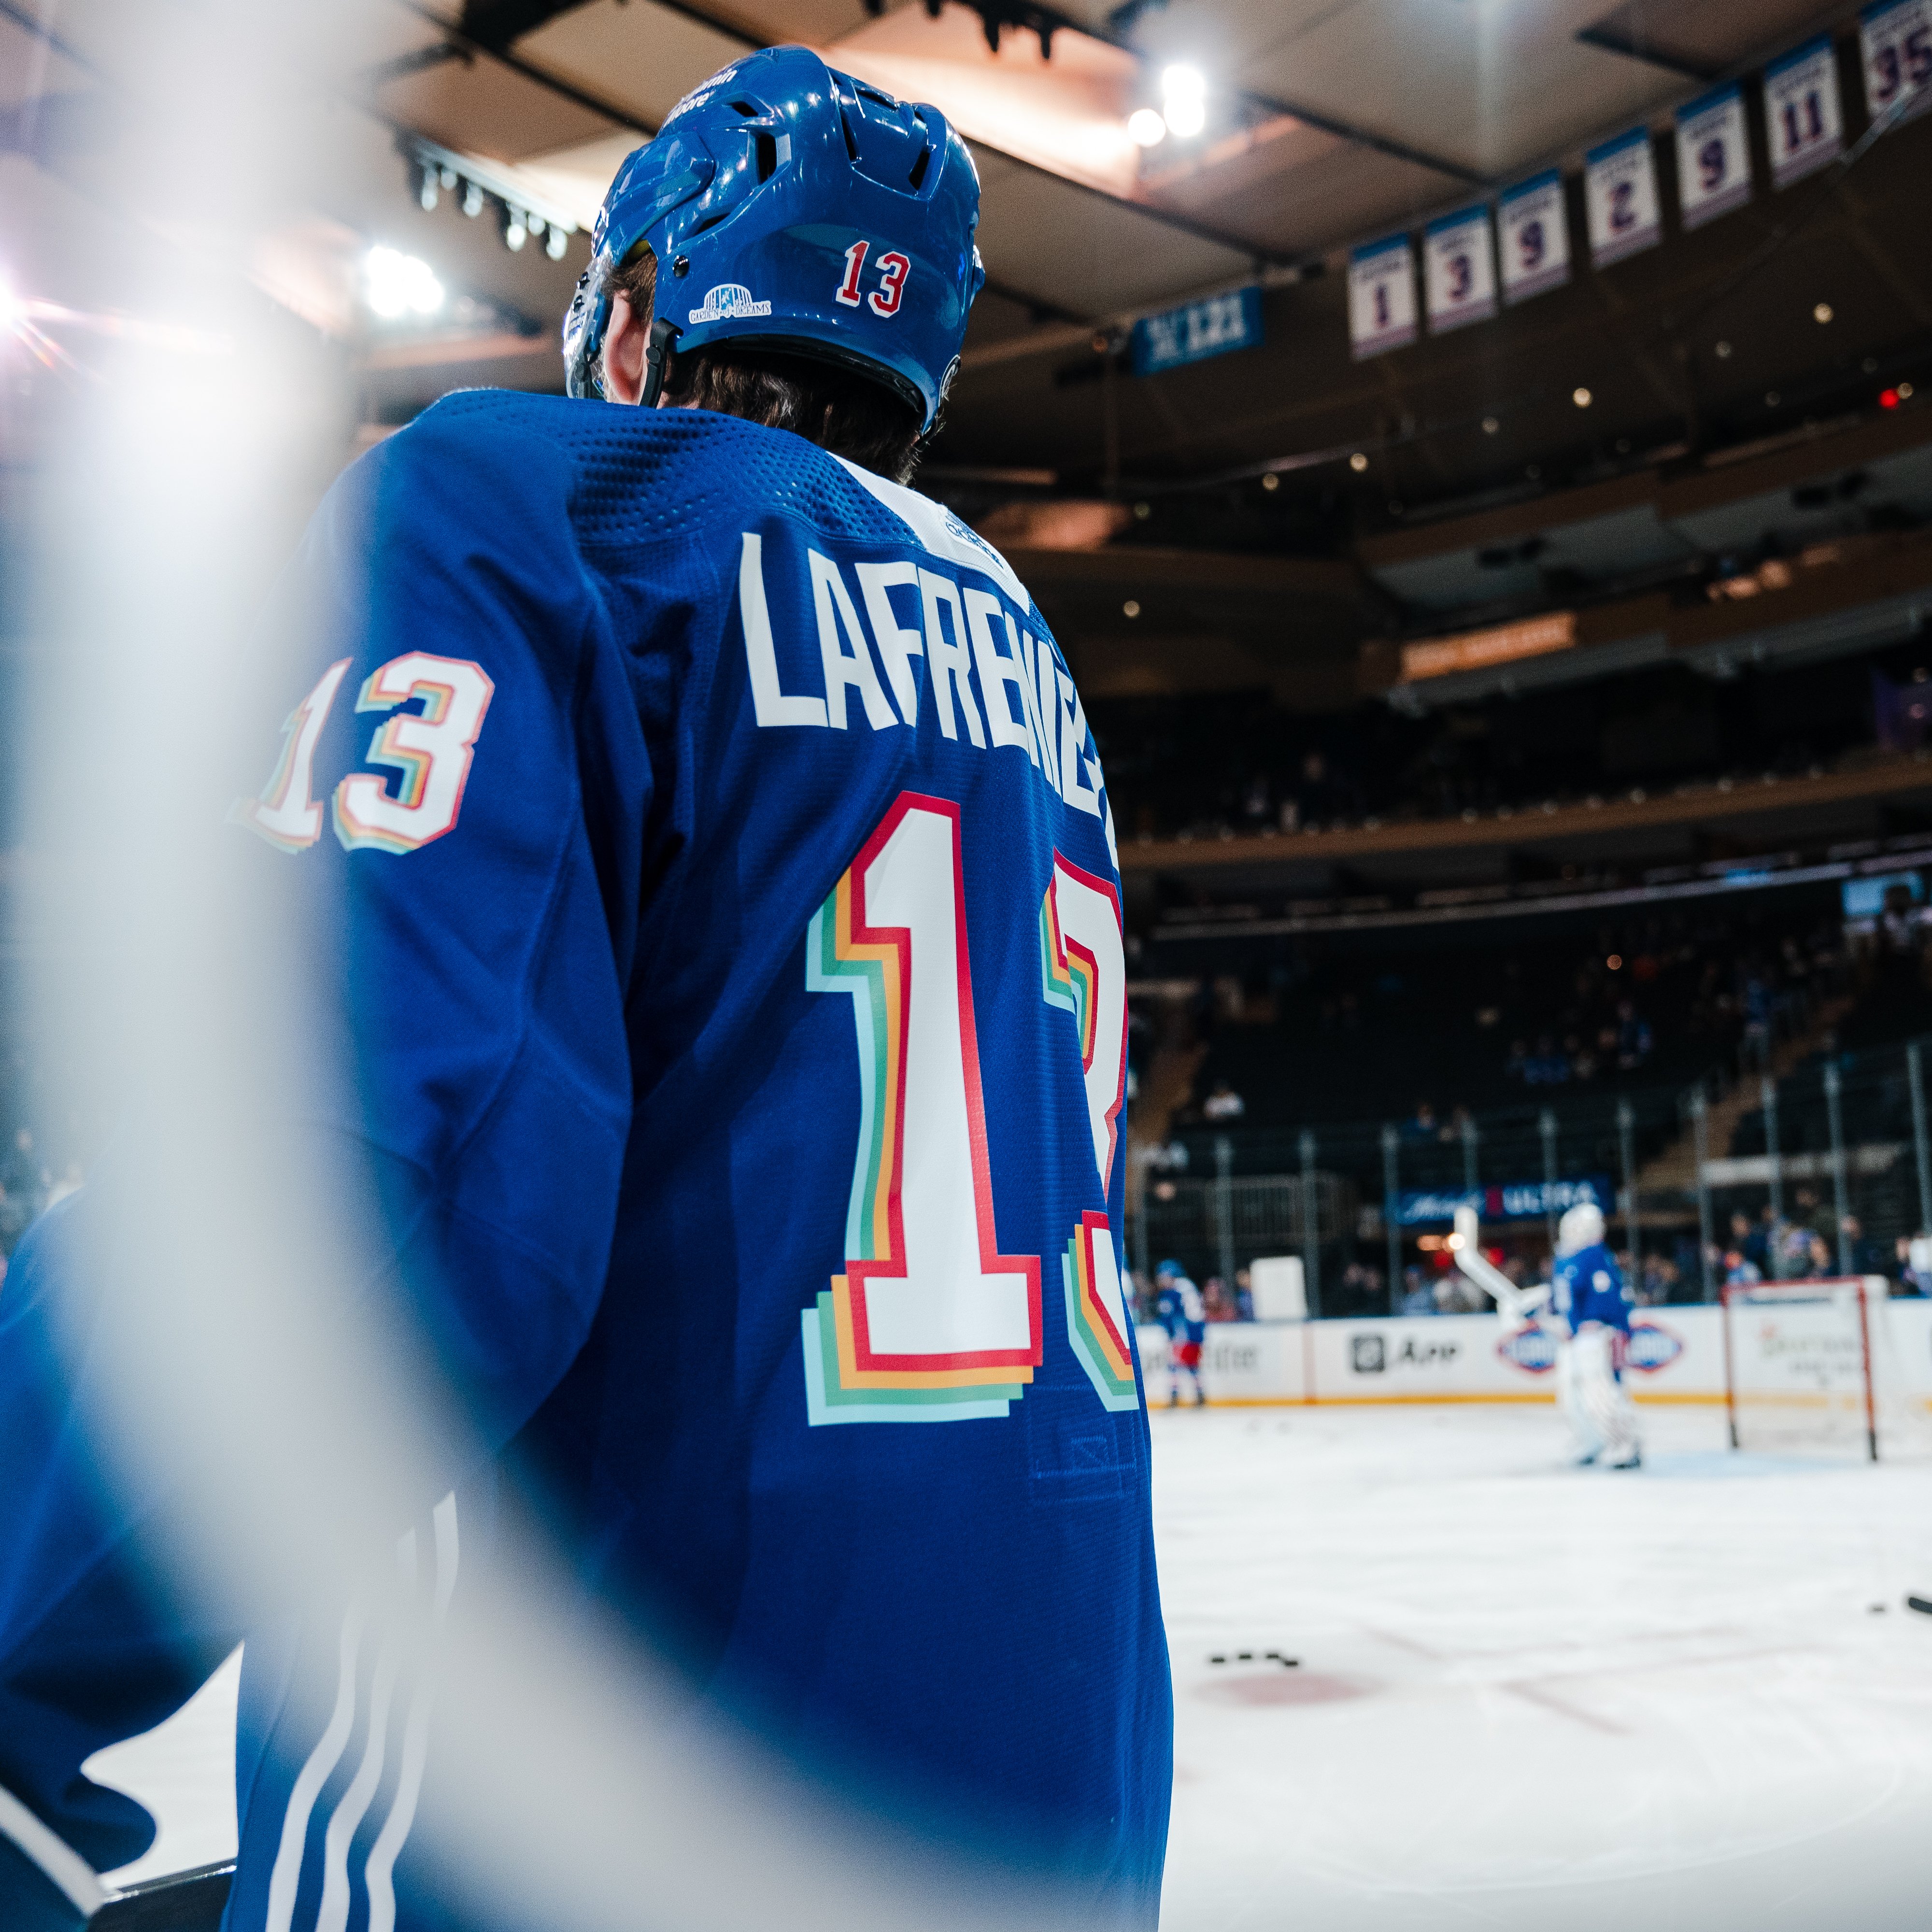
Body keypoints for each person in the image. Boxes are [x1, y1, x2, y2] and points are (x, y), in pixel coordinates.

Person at [0, 47, 1169, 1932]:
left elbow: (382, 1168)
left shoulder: (527, 499)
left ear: (631, 315)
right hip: (1062, 1813)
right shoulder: (1024, 656)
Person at [1549, 1202, 1641, 1469]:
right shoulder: (1565, 1259)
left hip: (1596, 1336)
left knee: (1602, 1392)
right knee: (1571, 1393)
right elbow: (1563, 1300)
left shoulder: (1595, 1257)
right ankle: (1590, 1441)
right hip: (1575, 1339)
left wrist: (1600, 1326)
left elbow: (1606, 1301)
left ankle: (1625, 1445)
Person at [1153, 1260, 1206, 1407]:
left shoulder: (1174, 1292)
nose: (1162, 1281)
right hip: (1194, 1332)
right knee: (1192, 1365)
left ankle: (1176, 1396)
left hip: (1185, 1334)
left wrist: (1175, 1336)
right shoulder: (1186, 1286)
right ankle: (1199, 1394)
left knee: (1175, 1365)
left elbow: (1173, 1317)